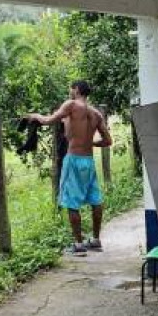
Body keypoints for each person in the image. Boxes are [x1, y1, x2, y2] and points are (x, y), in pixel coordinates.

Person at [28, 80, 112, 255]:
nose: (70, 91)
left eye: (71, 88)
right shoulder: (96, 113)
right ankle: (95, 240)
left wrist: (35, 116)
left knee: (71, 201)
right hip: (88, 161)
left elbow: (48, 120)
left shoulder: (71, 105)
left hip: (73, 159)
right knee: (95, 200)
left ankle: (79, 245)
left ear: (77, 90)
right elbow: (108, 140)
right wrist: (90, 142)